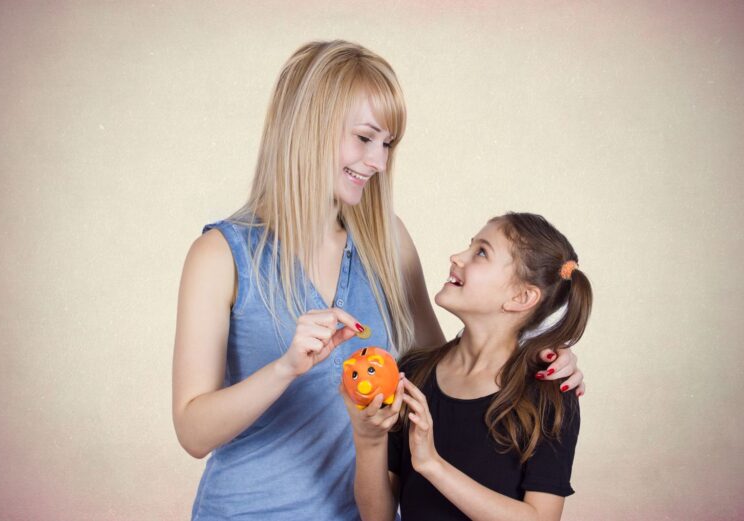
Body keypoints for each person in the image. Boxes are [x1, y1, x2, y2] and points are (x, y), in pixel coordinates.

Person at [172, 40, 583, 520]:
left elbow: (439, 368)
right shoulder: (220, 255)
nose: (379, 162)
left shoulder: (386, 239)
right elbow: (192, 432)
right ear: (309, 127)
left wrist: (537, 351)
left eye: (387, 144)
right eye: (365, 138)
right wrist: (285, 367)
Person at [343, 212, 592, 521]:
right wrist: (368, 438)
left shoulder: (548, 393)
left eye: (481, 252)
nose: (456, 257)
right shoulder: (414, 373)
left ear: (521, 296)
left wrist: (433, 465)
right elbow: (376, 516)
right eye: (470, 246)